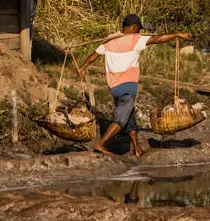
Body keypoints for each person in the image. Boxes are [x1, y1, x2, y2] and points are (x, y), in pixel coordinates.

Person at [77, 14, 191, 157]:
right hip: (127, 85)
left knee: (129, 117)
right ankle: (101, 144)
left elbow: (93, 56)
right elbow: (157, 39)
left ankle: (137, 148)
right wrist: (177, 34)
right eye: (138, 28)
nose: (139, 31)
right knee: (121, 119)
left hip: (114, 86)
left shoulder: (110, 40)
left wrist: (82, 68)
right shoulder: (135, 40)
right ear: (133, 27)